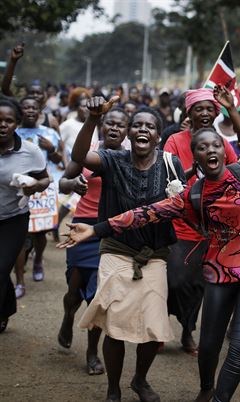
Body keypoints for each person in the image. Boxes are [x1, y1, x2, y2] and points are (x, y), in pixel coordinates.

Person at [62, 124, 240, 402]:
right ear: (196, 158)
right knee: (209, 345)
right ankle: (206, 388)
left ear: (224, 151)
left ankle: (219, 399)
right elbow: (146, 213)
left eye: (215, 145)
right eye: (202, 148)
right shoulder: (193, 195)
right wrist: (96, 229)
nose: (210, 150)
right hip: (217, 272)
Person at [62, 96, 184, 402]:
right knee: (114, 326)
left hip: (154, 256)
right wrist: (92, 119)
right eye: (137, 125)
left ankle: (140, 381)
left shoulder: (171, 165)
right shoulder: (112, 160)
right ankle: (113, 388)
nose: (143, 129)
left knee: (153, 327)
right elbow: (78, 155)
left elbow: (179, 208)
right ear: (130, 133)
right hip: (115, 250)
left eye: (151, 126)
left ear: (158, 135)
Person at [162, 88, 240, 355]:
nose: (205, 113)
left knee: (199, 285)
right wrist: (192, 170)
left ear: (216, 112)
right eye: (199, 108)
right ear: (189, 113)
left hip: (213, 229)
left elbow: (235, 177)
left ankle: (187, 332)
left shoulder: (222, 143)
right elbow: (166, 180)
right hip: (180, 224)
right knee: (174, 281)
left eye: (209, 108)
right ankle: (163, 326)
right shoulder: (174, 141)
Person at [56, 106, 129, 376]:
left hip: (111, 230)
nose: (114, 128)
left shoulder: (132, 157)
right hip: (82, 226)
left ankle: (91, 351)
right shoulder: (88, 152)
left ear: (127, 130)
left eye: (120, 125)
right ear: (102, 126)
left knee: (99, 297)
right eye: (110, 123)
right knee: (74, 288)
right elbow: (63, 182)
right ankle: (68, 315)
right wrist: (74, 185)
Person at [0, 97, 50, 333]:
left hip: (13, 218)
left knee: (1, 268)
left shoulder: (30, 152)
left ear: (17, 123)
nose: (3, 125)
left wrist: (35, 186)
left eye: (8, 121)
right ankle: (6, 307)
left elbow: (45, 178)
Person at [15, 96, 66, 283]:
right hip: (18, 188)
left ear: (39, 112)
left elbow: (60, 159)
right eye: (26, 107)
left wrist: (51, 149)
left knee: (40, 231)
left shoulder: (49, 133)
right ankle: (19, 278)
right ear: (20, 110)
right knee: (21, 231)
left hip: (44, 187)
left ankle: (37, 260)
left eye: (33, 108)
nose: (29, 110)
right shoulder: (14, 132)